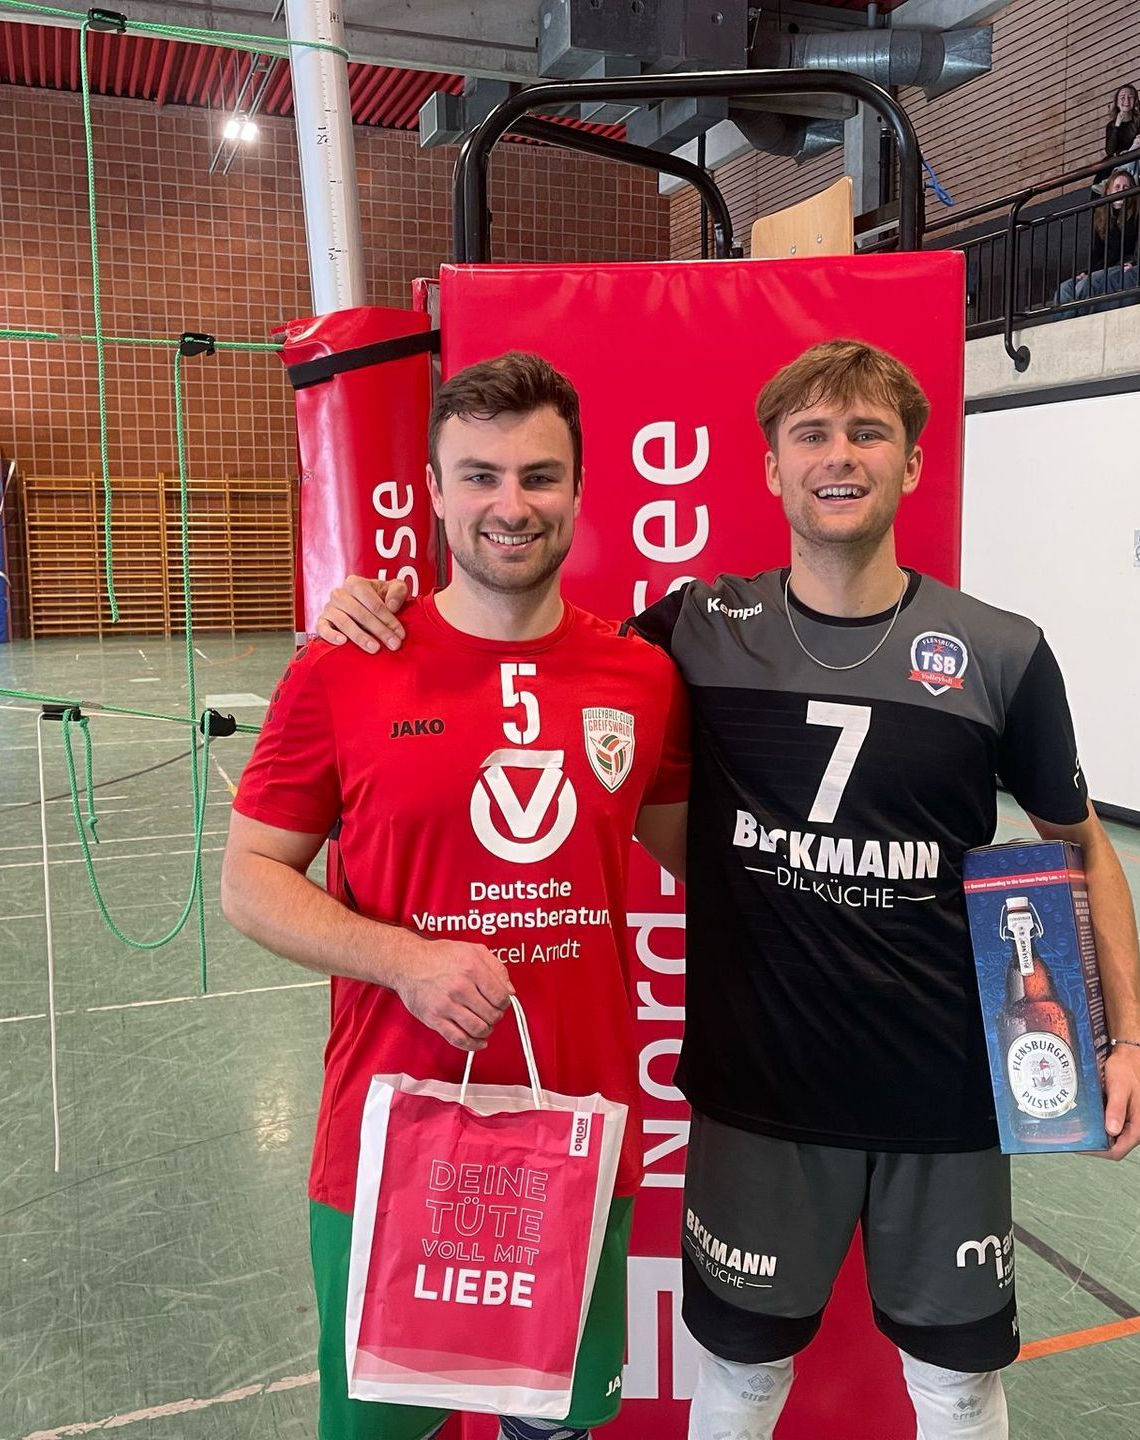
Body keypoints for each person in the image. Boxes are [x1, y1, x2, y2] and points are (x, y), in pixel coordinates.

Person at [316, 340, 1140, 1440]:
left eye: (867, 433)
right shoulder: (697, 631)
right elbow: (525, 650)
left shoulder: (1001, 653)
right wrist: (378, 614)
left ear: (913, 463)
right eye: (812, 434)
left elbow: (1083, 849)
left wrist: (1129, 1041)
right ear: (772, 468)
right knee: (743, 1377)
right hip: (759, 1097)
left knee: (959, 1385)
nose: (839, 456)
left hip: (948, 1098)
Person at [221, 351, 692, 1440]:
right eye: (479, 476)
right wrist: (405, 960)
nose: (510, 505)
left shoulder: (641, 678)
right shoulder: (347, 664)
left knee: (553, 1428)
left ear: (579, 488)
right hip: (393, 1144)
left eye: (539, 475)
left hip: (573, 1142)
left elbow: (712, 863)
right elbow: (249, 880)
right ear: (434, 492)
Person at [1056, 170, 1140, 311]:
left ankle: (1080, 321)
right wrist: (1087, 271)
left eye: (1125, 187)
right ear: (1108, 191)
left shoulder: (1136, 214)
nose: (1121, 190)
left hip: (1122, 263)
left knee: (1087, 284)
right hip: (1103, 267)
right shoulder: (1101, 216)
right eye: (1117, 187)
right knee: (1065, 288)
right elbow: (1096, 251)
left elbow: (1124, 248)